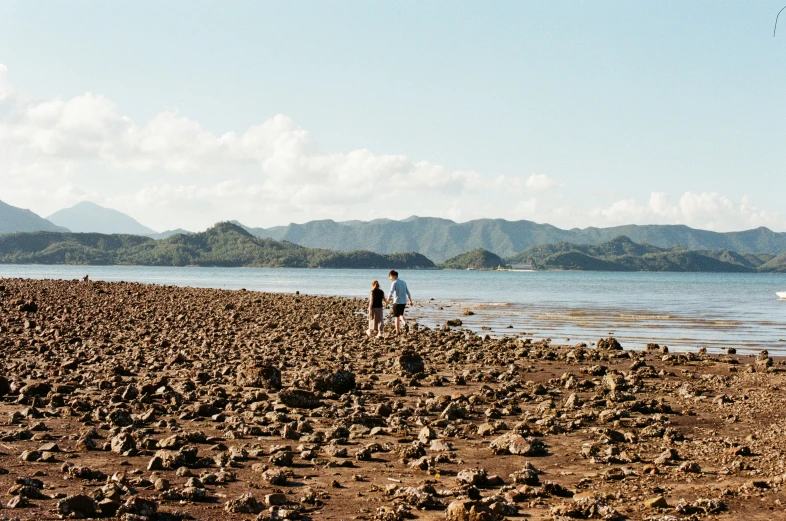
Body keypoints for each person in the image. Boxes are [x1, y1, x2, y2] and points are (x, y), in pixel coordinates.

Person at [386, 270, 413, 335]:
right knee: (401, 315)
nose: (390, 278)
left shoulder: (394, 283)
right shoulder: (403, 282)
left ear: (393, 276)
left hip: (397, 302)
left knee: (396, 317)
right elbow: (408, 292)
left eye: (390, 276)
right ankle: (405, 323)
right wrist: (410, 301)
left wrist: (387, 300)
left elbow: (391, 292)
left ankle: (398, 331)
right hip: (403, 302)